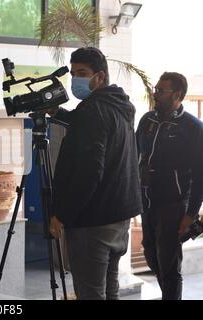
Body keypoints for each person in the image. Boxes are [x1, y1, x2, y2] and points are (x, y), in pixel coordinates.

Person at [48, 47, 143, 300]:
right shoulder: (119, 106)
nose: (76, 79)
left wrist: (62, 214)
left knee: (90, 293)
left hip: (93, 222)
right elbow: (97, 131)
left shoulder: (92, 110)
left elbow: (90, 172)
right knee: (109, 291)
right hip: (118, 216)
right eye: (73, 73)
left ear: (99, 77)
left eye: (82, 73)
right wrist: (60, 114)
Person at [136, 72, 203, 300]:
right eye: (156, 89)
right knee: (150, 253)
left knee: (169, 263)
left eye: (161, 91)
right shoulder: (147, 121)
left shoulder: (193, 127)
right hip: (146, 201)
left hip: (174, 205)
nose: (155, 94)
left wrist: (191, 214)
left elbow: (200, 174)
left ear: (178, 95)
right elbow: (135, 156)